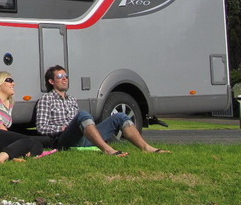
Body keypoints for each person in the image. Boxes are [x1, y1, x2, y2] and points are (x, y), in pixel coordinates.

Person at [35, 65, 170, 156]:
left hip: (83, 137)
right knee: (83, 115)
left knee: (120, 116)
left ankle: (146, 148)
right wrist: (61, 128)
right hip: (64, 138)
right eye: (60, 76)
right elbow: (41, 127)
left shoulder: (72, 100)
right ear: (51, 81)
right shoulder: (46, 99)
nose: (64, 79)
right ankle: (107, 150)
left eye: (66, 76)